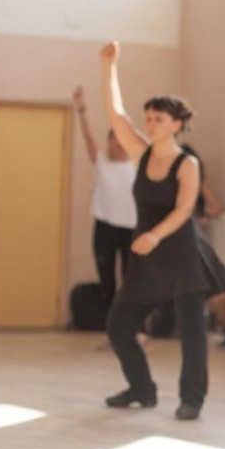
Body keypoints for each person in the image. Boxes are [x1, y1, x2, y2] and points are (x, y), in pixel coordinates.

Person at [97, 41, 225, 421]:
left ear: (176, 124)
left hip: (181, 252)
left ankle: (192, 399)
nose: (151, 123)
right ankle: (142, 389)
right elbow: (116, 113)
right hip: (147, 253)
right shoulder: (141, 154)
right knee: (119, 326)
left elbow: (185, 209)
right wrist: (108, 67)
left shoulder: (186, 163)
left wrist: (155, 236)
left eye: (159, 118)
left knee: (192, 330)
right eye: (149, 117)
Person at [73, 85, 136, 317]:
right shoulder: (102, 163)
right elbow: (88, 136)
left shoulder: (137, 165)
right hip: (105, 228)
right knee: (107, 281)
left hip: (131, 229)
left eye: (122, 140)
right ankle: (110, 326)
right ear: (109, 142)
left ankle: (131, 325)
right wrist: (81, 109)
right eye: (114, 140)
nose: (118, 145)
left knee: (130, 280)